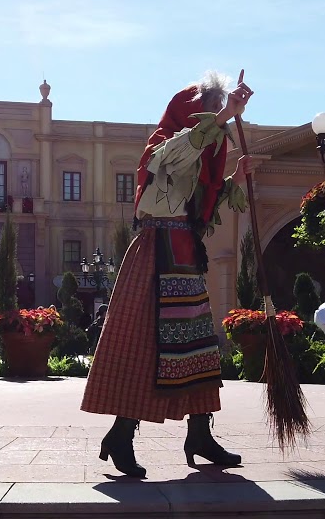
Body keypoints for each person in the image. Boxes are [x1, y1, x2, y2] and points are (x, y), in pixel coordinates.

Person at [82, 72, 253, 478]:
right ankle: (121, 434)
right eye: (206, 113)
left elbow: (197, 202)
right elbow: (182, 151)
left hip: (184, 255)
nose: (212, 125)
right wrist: (225, 116)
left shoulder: (196, 157)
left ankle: (199, 434)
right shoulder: (163, 146)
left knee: (199, 347)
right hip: (156, 256)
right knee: (146, 346)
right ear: (190, 113)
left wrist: (232, 183)